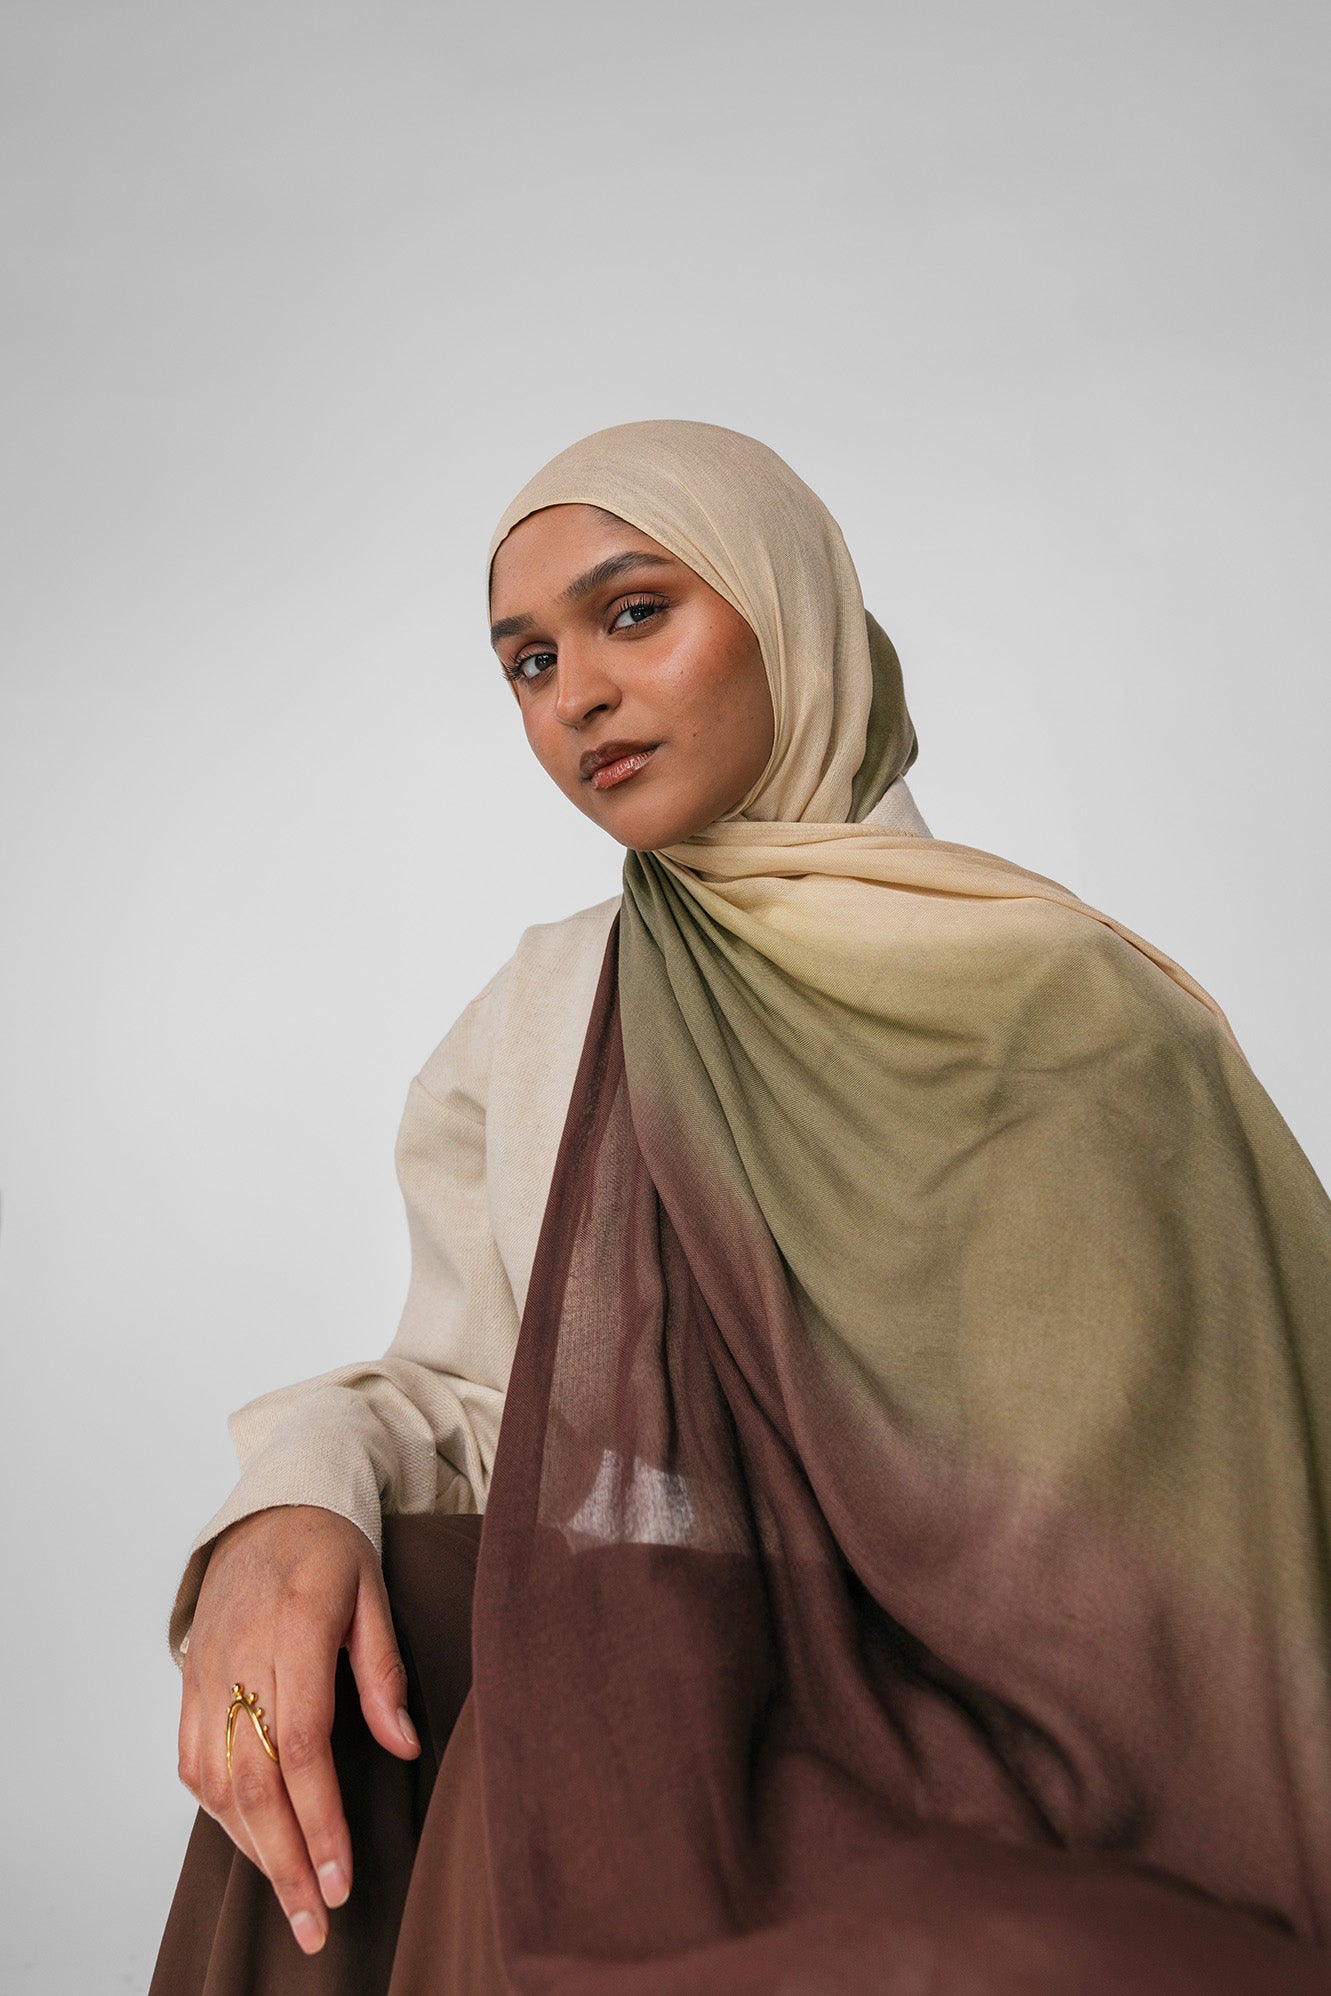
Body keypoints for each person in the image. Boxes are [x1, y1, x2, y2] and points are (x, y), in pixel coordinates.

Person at [152, 420, 1331, 1994]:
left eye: (634, 612)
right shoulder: (553, 1005)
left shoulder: (1078, 1018)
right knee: (456, 1651)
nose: (574, 693)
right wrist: (288, 1506)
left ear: (791, 615)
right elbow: (487, 1406)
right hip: (675, 1705)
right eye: (524, 662)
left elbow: (1206, 1544)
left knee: (568, 1699)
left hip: (1017, 1751)